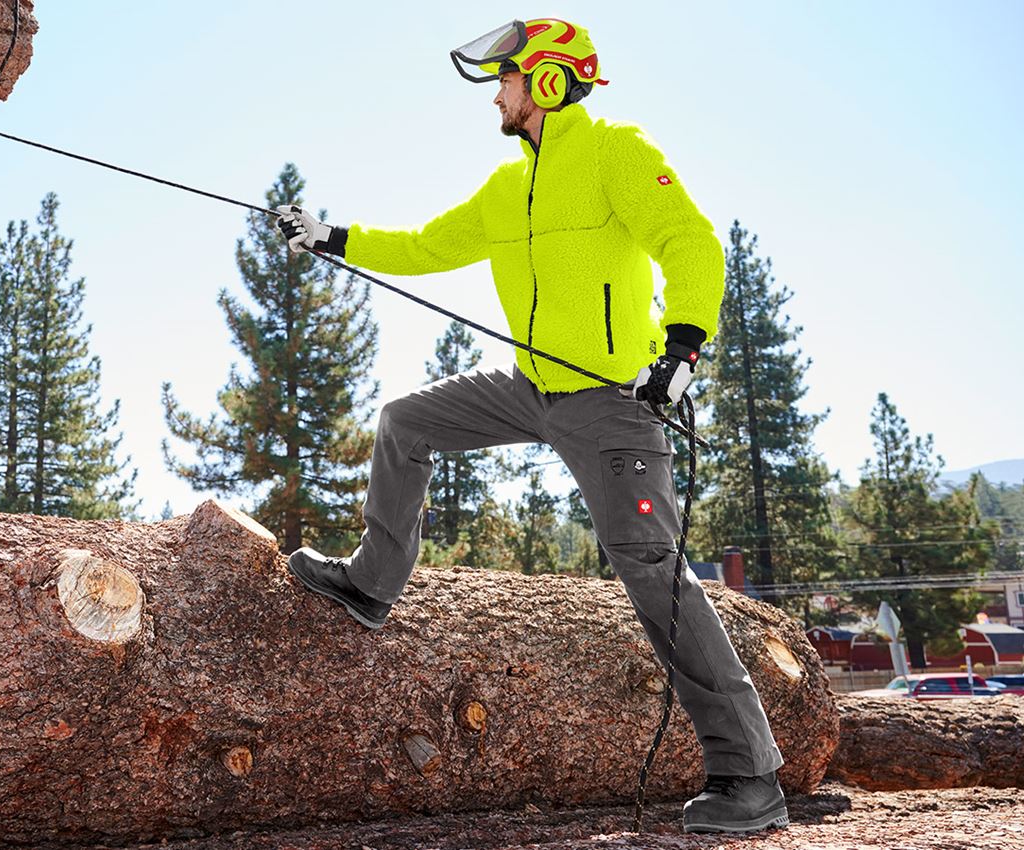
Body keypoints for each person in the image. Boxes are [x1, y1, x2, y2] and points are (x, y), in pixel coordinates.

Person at [276, 18, 789, 836]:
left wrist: (683, 349)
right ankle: (373, 584)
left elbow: (690, 242)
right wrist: (330, 238)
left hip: (613, 401)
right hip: (527, 388)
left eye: (507, 81)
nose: (498, 95)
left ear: (547, 83)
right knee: (404, 424)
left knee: (650, 569)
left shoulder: (617, 153)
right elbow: (425, 245)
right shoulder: (505, 188)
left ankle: (750, 774)